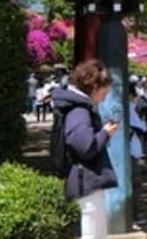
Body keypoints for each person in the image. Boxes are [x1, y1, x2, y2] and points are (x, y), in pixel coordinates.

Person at [50, 59, 119, 239]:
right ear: (94, 86)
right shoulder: (79, 111)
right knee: (92, 231)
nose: (104, 98)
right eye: (104, 93)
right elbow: (84, 146)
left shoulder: (77, 108)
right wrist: (105, 133)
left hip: (86, 179)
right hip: (86, 179)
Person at [128, 84, 147, 228]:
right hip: (131, 151)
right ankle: (135, 216)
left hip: (127, 150)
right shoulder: (128, 107)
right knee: (135, 185)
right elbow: (140, 127)